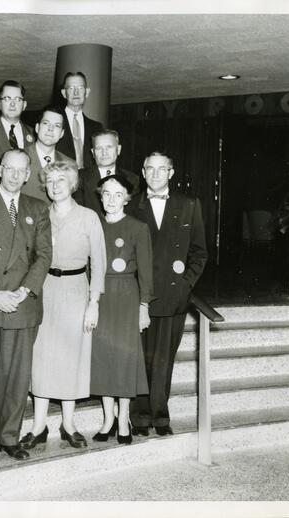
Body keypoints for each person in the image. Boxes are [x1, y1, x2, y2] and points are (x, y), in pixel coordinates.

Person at [0, 148, 52, 465]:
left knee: (19, 377)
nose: (15, 175)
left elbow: (44, 256)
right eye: (10, 168)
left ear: (29, 173)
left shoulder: (38, 208)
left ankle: (9, 437)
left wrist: (24, 291)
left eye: (22, 170)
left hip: (23, 303)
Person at [20, 161, 106, 451]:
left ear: (73, 185)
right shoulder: (39, 214)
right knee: (40, 356)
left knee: (72, 355)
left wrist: (93, 302)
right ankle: (38, 425)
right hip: (44, 288)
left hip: (76, 290)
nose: (56, 185)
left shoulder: (89, 217)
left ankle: (68, 424)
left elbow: (99, 263)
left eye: (62, 180)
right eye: (51, 180)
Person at [127, 151, 208, 436]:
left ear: (171, 173)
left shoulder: (188, 204)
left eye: (162, 169)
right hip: (140, 297)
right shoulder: (131, 204)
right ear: (143, 171)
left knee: (164, 359)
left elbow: (199, 252)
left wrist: (185, 284)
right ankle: (138, 418)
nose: (156, 174)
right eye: (151, 169)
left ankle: (160, 416)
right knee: (140, 357)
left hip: (174, 296)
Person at [90, 175, 153, 445]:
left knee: (125, 358)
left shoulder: (138, 228)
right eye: (106, 194)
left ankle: (124, 417)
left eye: (118, 195)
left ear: (127, 198)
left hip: (127, 296)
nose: (111, 200)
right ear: (100, 196)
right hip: (100, 296)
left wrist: (144, 307)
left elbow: (147, 272)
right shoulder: (94, 225)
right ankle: (108, 419)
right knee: (103, 357)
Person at [75, 129, 141, 216]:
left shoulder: (132, 179)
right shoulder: (79, 177)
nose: (104, 153)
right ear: (93, 152)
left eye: (109, 147)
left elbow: (131, 215)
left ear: (119, 149)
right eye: (99, 148)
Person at [23, 105, 76, 203]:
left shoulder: (70, 164)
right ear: (37, 127)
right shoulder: (20, 158)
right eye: (46, 123)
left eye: (57, 125)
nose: (51, 129)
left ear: (62, 133)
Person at [0, 80, 34, 167]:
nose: (12, 104)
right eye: (7, 98)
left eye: (18, 99)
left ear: (24, 105)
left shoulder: (33, 133)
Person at [56, 71, 103, 170]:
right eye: (71, 88)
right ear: (64, 93)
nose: (76, 92)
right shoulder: (54, 122)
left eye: (80, 88)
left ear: (87, 92)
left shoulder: (96, 127)